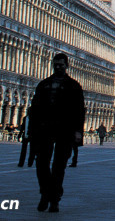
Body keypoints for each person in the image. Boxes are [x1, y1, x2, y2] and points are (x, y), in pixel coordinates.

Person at [29, 52, 85, 213]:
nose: (58, 67)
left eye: (61, 65)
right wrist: (31, 130)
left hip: (65, 130)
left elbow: (79, 111)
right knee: (41, 164)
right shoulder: (44, 84)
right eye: (56, 64)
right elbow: (35, 109)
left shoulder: (74, 86)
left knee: (59, 166)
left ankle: (54, 199)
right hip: (45, 129)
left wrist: (78, 132)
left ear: (67, 66)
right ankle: (46, 193)